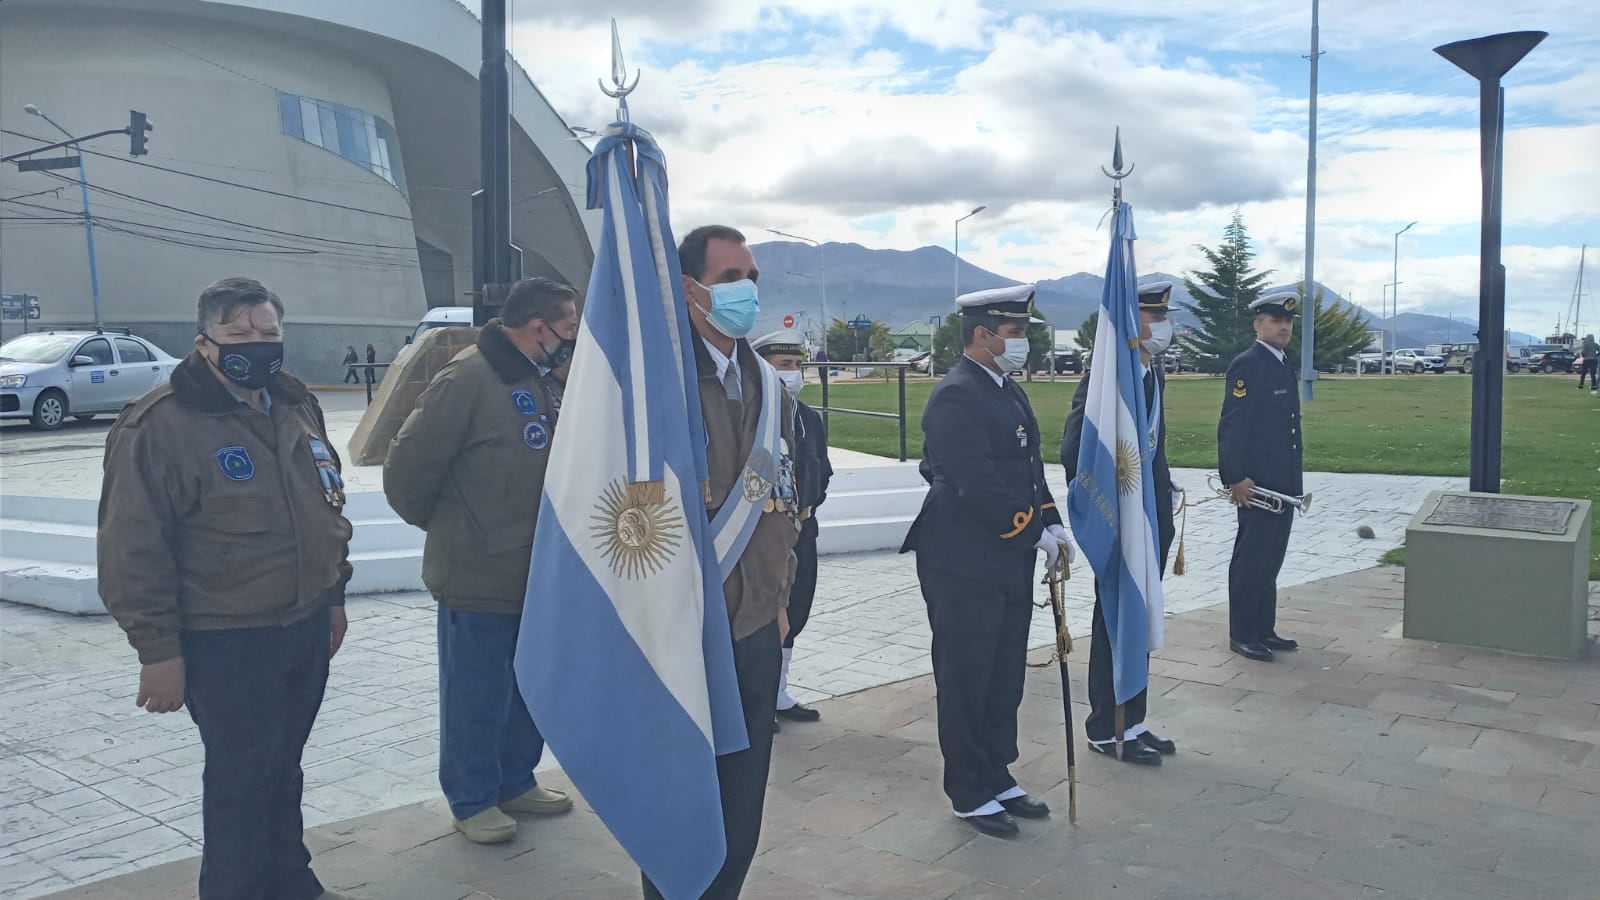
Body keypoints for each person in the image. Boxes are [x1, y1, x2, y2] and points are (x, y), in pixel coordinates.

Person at [97, 277, 357, 900]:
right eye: (238, 334)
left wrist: (334, 597)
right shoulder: (160, 426)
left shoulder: (294, 404)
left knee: (282, 769)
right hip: (225, 637)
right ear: (204, 344)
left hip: (302, 624)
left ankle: (290, 881)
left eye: (268, 333)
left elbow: (326, 508)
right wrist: (157, 651)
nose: (256, 345)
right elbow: (132, 549)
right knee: (242, 779)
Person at [383, 276, 579, 843]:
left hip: (539, 575)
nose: (572, 341)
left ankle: (515, 779)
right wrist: (458, 529)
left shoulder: (546, 380)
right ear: (539, 328)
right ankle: (472, 798)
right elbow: (407, 472)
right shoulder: (468, 378)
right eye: (568, 329)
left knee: (529, 687)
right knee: (476, 692)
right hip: (478, 573)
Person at [649, 224, 800, 899]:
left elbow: (783, 507)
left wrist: (779, 601)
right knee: (680, 811)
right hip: (679, 634)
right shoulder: (656, 384)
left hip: (754, 629)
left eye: (752, 278)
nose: (746, 292)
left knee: (742, 809)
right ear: (690, 289)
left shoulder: (767, 385)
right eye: (730, 278)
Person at [901, 284, 1074, 838]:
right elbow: (976, 482)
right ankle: (969, 790)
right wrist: (1028, 531)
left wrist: (1049, 519)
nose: (1022, 343)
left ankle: (997, 771)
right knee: (967, 672)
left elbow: (1027, 469)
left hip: (1005, 552)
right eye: (1016, 332)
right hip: (963, 556)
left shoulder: (1006, 389)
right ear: (984, 334)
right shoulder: (957, 394)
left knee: (1003, 668)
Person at [1060, 281, 1180, 766]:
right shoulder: (1105, 382)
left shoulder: (1152, 374)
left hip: (1149, 522)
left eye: (1164, 316)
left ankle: (1134, 719)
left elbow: (1154, 448)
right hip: (1120, 524)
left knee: (1141, 615)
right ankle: (1106, 726)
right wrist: (1109, 510)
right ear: (1130, 326)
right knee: (1115, 619)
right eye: (1154, 318)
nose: (1163, 327)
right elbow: (1077, 451)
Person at [750, 329, 834, 730]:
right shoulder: (751, 415)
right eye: (785, 366)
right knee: (765, 616)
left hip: (804, 529)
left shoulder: (809, 420)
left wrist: (808, 505)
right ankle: (757, 698)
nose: (794, 373)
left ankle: (779, 691)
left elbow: (822, 469)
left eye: (797, 365)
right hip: (763, 535)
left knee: (795, 610)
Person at [1218, 290, 1305, 662]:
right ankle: (1243, 633)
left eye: (1288, 321)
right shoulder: (1248, 364)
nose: (1284, 326)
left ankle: (1263, 628)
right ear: (1258, 325)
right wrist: (1234, 477)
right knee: (1251, 558)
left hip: (1281, 482)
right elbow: (1234, 425)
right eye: (1275, 320)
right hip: (1255, 483)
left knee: (1271, 558)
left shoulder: (1284, 362)